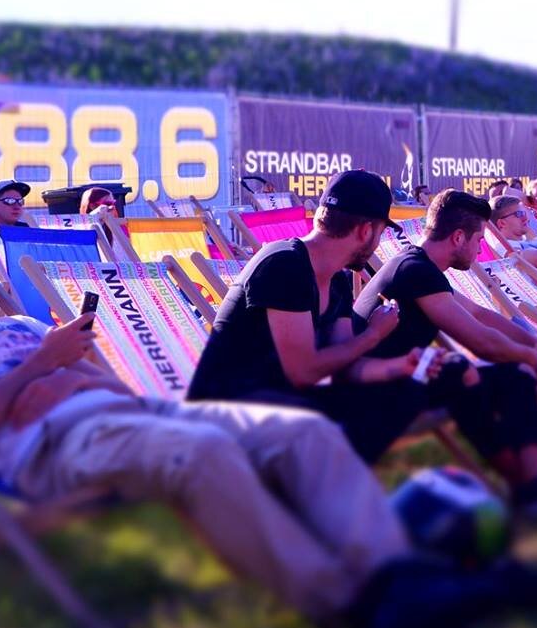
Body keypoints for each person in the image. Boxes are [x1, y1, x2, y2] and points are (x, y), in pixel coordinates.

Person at [0, 211, 537, 628]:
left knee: (302, 434)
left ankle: (396, 574)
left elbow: (112, 387)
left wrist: (59, 378)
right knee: (201, 452)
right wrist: (41, 370)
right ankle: (352, 602)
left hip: (134, 414)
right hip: (58, 448)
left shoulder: (28, 325)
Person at [188, 170, 448, 465]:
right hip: (230, 411)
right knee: (336, 420)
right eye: (379, 232)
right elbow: (303, 372)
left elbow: (345, 365)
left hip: (279, 403)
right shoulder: (284, 264)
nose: (377, 242)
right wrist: (373, 334)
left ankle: (333, 482)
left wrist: (401, 366)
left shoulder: (337, 280)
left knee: (406, 393)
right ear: (366, 231)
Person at [365, 189, 537, 516]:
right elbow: (481, 342)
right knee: (464, 375)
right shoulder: (416, 271)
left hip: (409, 375)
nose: (481, 249)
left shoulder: (418, 264)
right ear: (457, 237)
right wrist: (534, 357)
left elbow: (480, 314)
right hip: (382, 390)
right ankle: (528, 485)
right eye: (478, 239)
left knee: (512, 375)